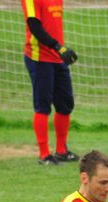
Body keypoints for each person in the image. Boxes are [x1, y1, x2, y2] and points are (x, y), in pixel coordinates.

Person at [22, 0, 79, 166]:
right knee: (43, 106)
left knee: (65, 104)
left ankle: (61, 151)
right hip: (39, 58)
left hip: (57, 57)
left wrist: (59, 50)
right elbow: (34, 26)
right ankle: (44, 154)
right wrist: (57, 46)